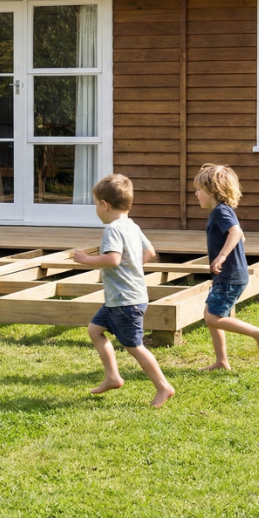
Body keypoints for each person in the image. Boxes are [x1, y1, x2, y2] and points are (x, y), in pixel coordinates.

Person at [72, 174, 175, 408]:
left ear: (104, 205)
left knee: (134, 346)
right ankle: (112, 377)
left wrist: (87, 259)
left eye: (96, 205)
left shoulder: (113, 229)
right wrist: (132, 266)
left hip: (124, 301)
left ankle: (163, 387)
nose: (96, 210)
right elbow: (149, 252)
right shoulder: (132, 226)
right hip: (121, 298)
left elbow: (113, 259)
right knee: (95, 330)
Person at [194, 163, 259, 371]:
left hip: (230, 276)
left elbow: (236, 232)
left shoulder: (220, 211)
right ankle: (221, 361)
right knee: (211, 315)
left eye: (199, 189)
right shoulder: (223, 211)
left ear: (212, 190)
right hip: (229, 275)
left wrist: (222, 256)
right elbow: (240, 235)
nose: (196, 194)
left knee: (213, 317)